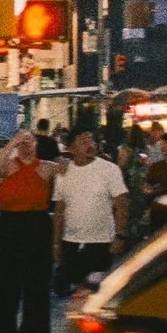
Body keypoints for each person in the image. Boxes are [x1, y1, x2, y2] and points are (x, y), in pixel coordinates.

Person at [0, 129, 59, 333]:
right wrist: (12, 143)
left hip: (37, 224)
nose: (26, 144)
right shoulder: (9, 165)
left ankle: (30, 332)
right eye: (23, 141)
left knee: (36, 281)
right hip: (10, 224)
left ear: (37, 144)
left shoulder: (47, 167)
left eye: (30, 141)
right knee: (5, 281)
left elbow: (69, 173)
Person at [51, 129, 128, 301]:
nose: (89, 145)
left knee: (96, 293)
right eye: (82, 141)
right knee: (75, 292)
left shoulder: (110, 169)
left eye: (91, 140)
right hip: (71, 242)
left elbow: (121, 204)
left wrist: (120, 236)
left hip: (101, 242)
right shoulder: (63, 172)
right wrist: (56, 244)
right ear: (71, 149)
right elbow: (59, 210)